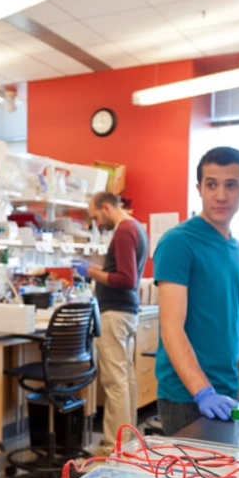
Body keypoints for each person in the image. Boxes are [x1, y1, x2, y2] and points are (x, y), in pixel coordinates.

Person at [153, 147, 239, 436]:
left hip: (226, 390)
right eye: (211, 184)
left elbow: (231, 326)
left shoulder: (235, 249)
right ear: (199, 188)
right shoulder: (178, 243)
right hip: (187, 396)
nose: (220, 195)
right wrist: (203, 391)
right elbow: (171, 329)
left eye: (231, 185)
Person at [74, 191, 148, 452]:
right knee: (125, 376)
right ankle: (127, 440)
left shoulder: (124, 230)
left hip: (115, 313)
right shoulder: (135, 226)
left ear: (106, 208)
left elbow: (127, 279)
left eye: (96, 217)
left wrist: (92, 271)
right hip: (127, 312)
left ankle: (113, 445)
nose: (97, 223)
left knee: (114, 381)